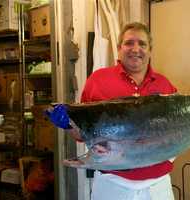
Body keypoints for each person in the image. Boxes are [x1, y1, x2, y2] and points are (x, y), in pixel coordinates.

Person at [46, 22, 177, 200]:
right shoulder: (98, 80)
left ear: (150, 50)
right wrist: (68, 124)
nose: (135, 49)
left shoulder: (165, 86)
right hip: (112, 184)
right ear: (119, 48)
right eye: (129, 43)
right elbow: (82, 134)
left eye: (142, 44)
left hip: (158, 187)